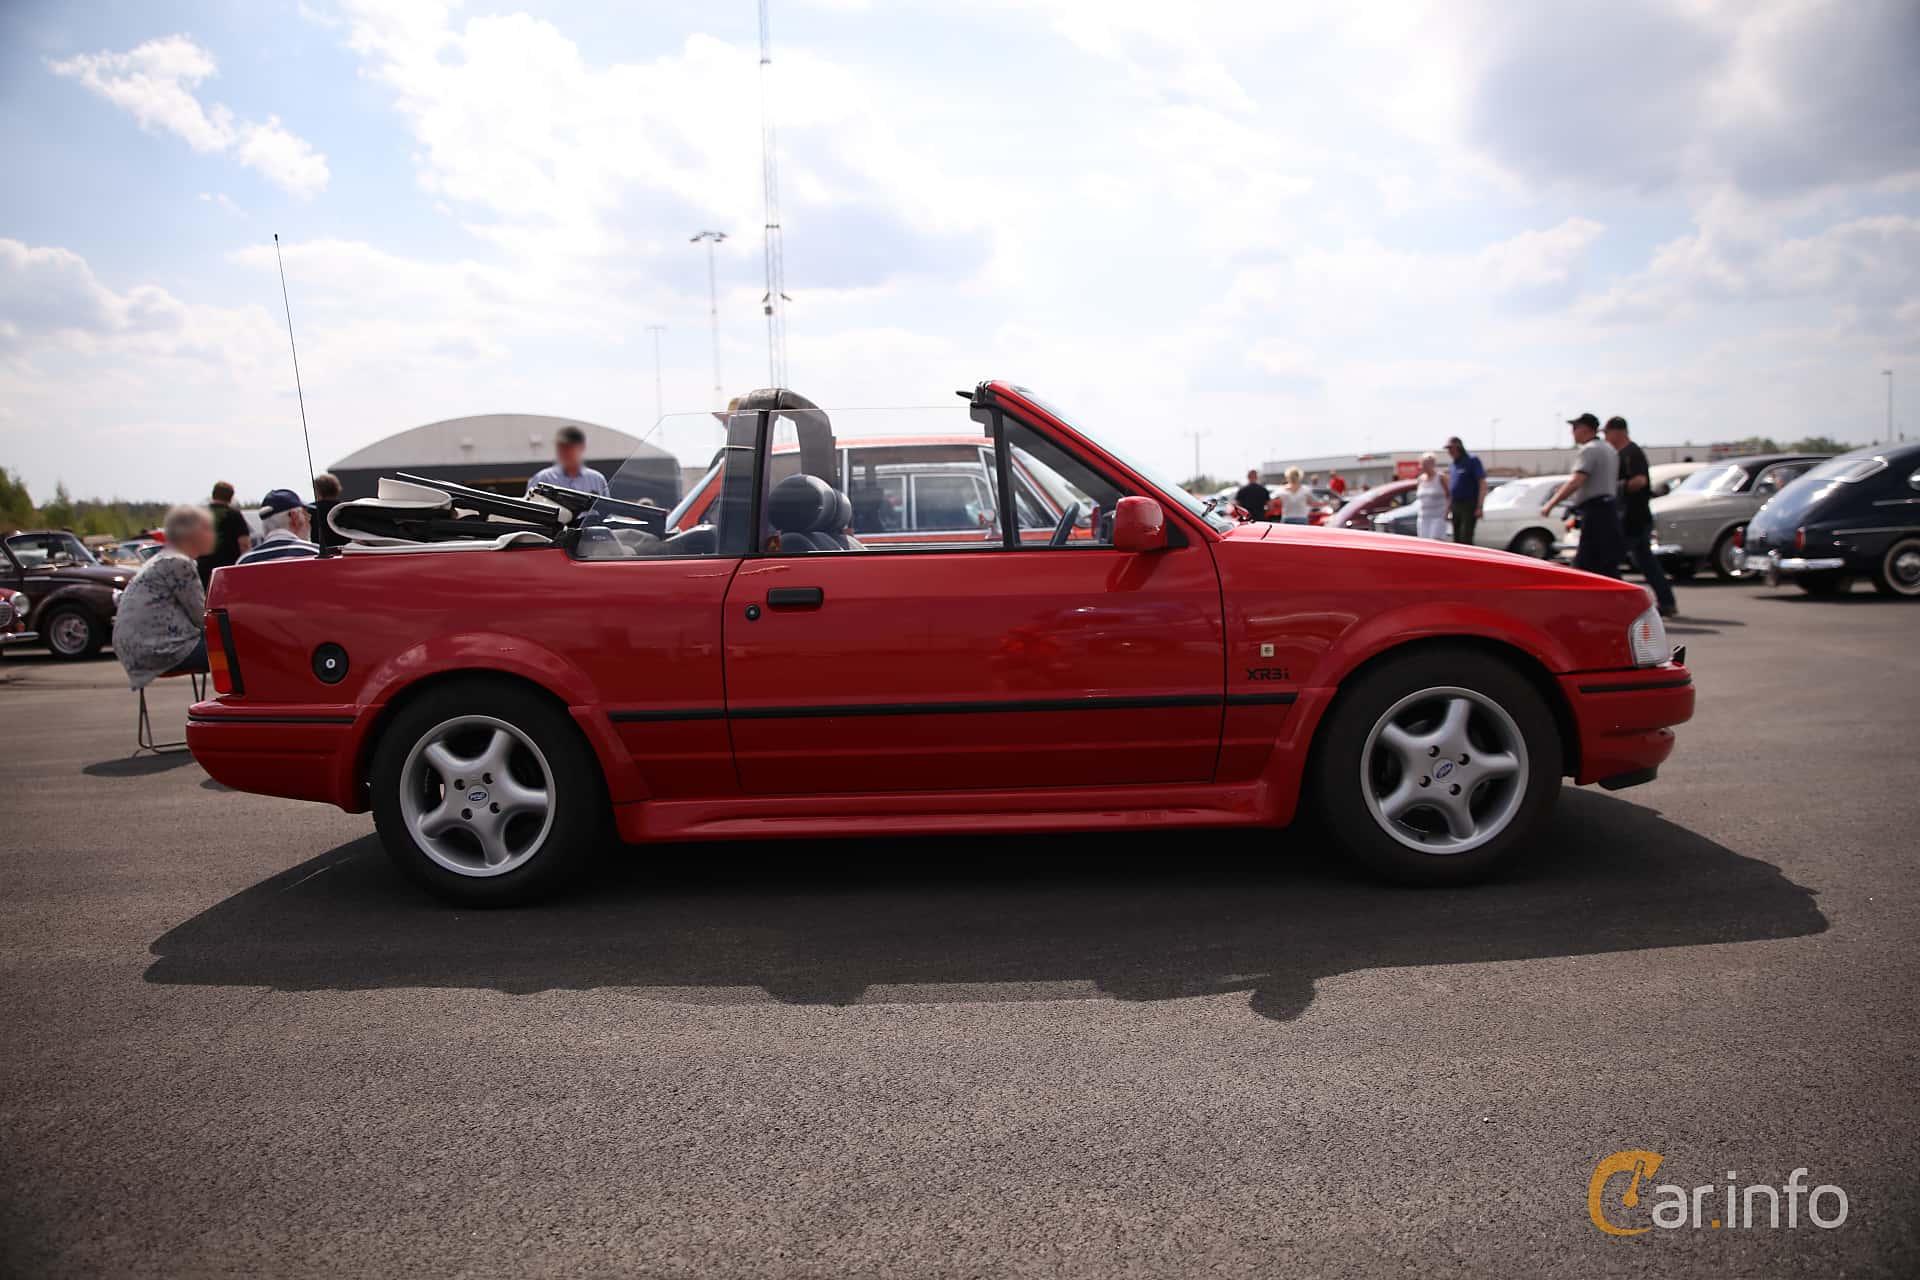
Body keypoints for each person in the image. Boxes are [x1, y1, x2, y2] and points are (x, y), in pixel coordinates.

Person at [113, 505, 215, 690]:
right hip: (158, 650)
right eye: (207, 529)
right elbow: (202, 617)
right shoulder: (179, 563)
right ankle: (240, 713)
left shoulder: (162, 559)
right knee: (240, 654)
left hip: (134, 649)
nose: (212, 535)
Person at [1605, 416, 1677, 617]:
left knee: (1610, 562)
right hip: (1634, 517)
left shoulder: (1631, 453)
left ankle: (1621, 607)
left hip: (1633, 518)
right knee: (1646, 562)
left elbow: (1640, 481)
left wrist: (1615, 488)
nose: (1606, 437)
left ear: (1618, 432)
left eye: (1607, 432)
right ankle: (1667, 602)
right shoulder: (1622, 453)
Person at [1542, 412, 1624, 579]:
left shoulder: (1590, 450)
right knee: (1606, 564)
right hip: (1609, 510)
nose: (1572, 433)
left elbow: (1577, 481)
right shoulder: (1609, 449)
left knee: (1585, 563)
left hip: (1596, 511)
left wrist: (1551, 503)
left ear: (1585, 429)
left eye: (1575, 428)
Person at [235, 489, 320, 565]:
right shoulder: (316, 553)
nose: (308, 520)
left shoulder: (244, 561)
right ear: (295, 517)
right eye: (305, 514)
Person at [527, 424, 609, 499]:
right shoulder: (543, 479)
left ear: (582, 447)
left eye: (568, 447)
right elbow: (528, 510)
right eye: (560, 447)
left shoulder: (597, 480)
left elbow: (607, 511)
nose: (563, 452)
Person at [195, 480, 252, 587]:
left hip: (203, 571)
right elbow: (244, 544)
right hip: (228, 570)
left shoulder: (200, 515)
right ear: (231, 497)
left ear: (213, 494)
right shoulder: (234, 515)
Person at [1443, 437, 1487, 545]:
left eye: (1451, 448)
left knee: (1466, 537)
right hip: (1456, 505)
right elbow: (1452, 488)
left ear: (1458, 447)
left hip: (1469, 504)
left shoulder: (1472, 460)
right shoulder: (1454, 464)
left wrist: (1480, 506)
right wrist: (1448, 508)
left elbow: (1482, 483)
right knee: (1456, 538)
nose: (1449, 451)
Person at [1415, 452, 1449, 540]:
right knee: (1424, 543)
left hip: (1438, 517)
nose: (1425, 466)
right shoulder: (1420, 479)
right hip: (1423, 517)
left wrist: (1447, 512)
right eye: (1423, 464)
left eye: (1427, 464)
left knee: (1436, 541)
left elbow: (1450, 495)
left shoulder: (1441, 477)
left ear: (1433, 464)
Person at [311, 472, 345, 549]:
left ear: (317, 490)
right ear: (337, 489)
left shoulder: (310, 510)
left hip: (316, 553)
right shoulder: (346, 509)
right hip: (343, 553)